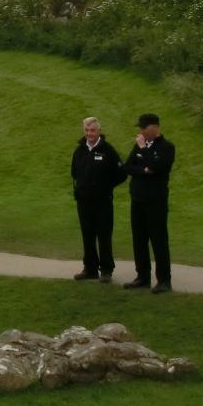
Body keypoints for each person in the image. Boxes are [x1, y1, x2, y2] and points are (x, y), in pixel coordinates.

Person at [122, 113, 176, 293]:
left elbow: (157, 167)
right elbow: (128, 167)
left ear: (154, 128)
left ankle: (164, 280)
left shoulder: (166, 147)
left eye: (144, 128)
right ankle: (142, 277)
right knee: (139, 239)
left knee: (158, 240)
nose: (141, 131)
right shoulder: (138, 145)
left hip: (155, 200)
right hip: (138, 198)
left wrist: (144, 151)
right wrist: (144, 170)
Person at [70, 117, 127, 283]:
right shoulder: (79, 151)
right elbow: (74, 172)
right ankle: (90, 268)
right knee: (87, 235)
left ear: (99, 131)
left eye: (92, 130)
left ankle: (106, 270)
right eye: (87, 130)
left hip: (102, 201)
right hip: (84, 201)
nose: (89, 133)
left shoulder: (107, 150)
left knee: (104, 236)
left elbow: (121, 173)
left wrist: (106, 186)